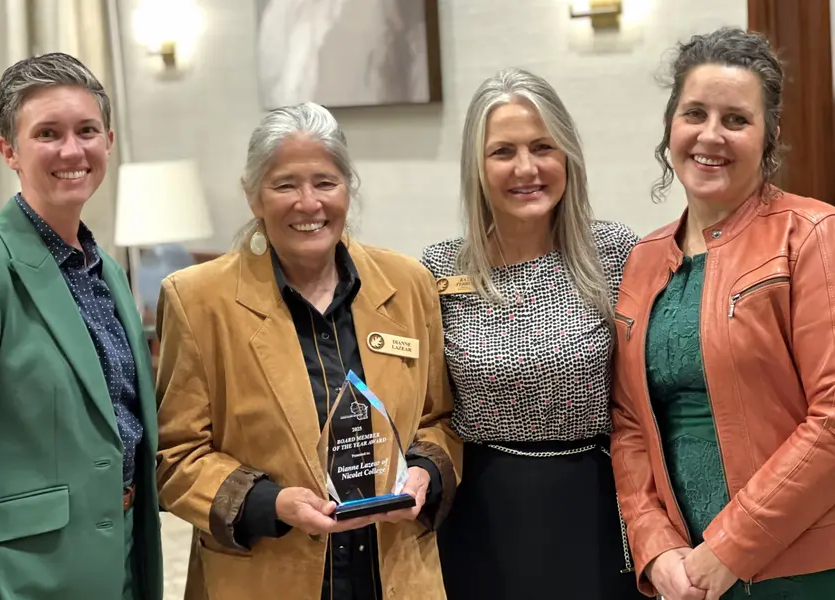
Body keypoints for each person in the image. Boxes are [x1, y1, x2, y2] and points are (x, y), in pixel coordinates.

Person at [154, 102, 460, 600]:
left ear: (348, 188)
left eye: (325, 182)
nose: (308, 203)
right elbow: (176, 457)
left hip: (396, 572)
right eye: (284, 185)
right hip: (264, 578)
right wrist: (272, 503)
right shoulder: (196, 300)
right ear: (253, 195)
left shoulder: (408, 285)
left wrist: (426, 472)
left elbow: (438, 419)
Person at [610, 27, 835, 600]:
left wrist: (731, 549)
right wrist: (656, 547)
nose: (711, 135)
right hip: (684, 578)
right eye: (695, 114)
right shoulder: (640, 261)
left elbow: (832, 418)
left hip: (798, 569)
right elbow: (630, 427)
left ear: (770, 136)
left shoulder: (811, 236)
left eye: (736, 120)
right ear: (670, 127)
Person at [0, 53, 163, 599]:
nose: (71, 150)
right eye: (47, 133)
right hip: (27, 578)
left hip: (126, 558)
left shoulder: (105, 268)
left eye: (86, 131)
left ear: (108, 141)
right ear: (8, 151)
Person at [421, 67, 641, 600]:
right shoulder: (437, 269)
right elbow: (424, 410)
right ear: (477, 166)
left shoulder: (618, 254)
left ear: (568, 156)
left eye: (543, 146)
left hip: (596, 504)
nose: (526, 168)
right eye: (503, 152)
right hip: (480, 513)